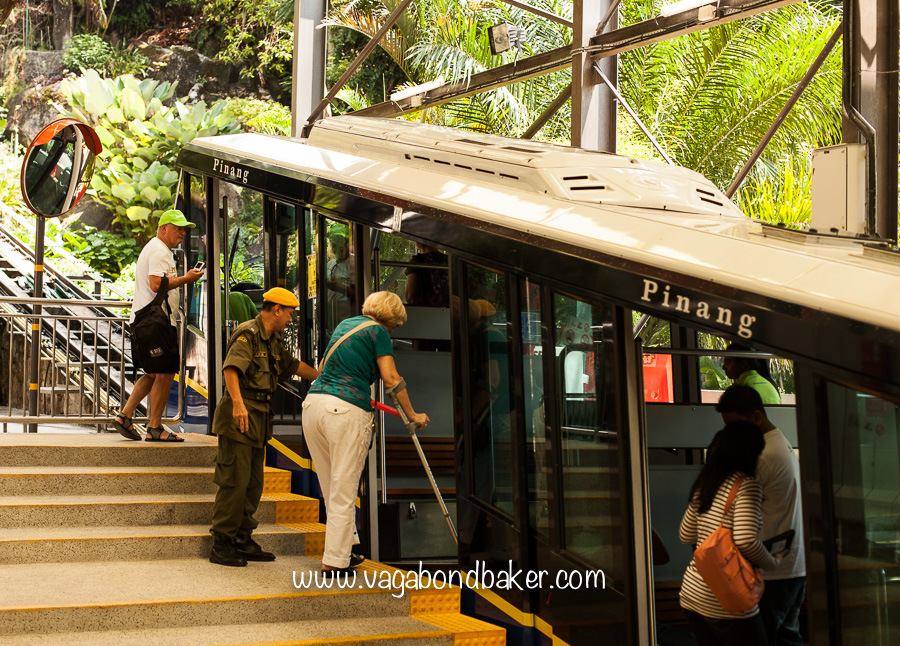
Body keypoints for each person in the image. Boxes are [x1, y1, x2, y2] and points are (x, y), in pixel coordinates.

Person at [302, 291, 429, 576]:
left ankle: (347, 548)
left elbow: (322, 369)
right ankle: (334, 561)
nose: (394, 330)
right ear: (391, 319)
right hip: (345, 411)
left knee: (331, 486)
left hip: (313, 406)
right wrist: (413, 415)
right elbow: (391, 378)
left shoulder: (345, 325)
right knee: (344, 490)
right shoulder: (379, 332)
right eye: (396, 325)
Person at [208, 287, 319, 567]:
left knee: (253, 483)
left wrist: (324, 376)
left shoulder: (272, 340)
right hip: (240, 416)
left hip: (258, 418)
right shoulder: (248, 334)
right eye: (290, 313)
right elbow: (230, 370)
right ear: (276, 310)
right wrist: (237, 404)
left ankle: (243, 538)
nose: (291, 319)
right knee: (235, 480)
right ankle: (222, 542)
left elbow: (293, 366)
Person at [679, 420, 784, 646]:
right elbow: (746, 540)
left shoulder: (705, 484)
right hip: (728, 597)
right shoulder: (747, 486)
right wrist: (773, 562)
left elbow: (685, 535)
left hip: (692, 594)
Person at [716, 386, 805, 646]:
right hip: (793, 566)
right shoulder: (780, 442)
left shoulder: (762, 456)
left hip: (771, 572)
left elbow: (736, 518)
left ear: (757, 417)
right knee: (788, 637)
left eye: (736, 426)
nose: (732, 434)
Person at [112, 209, 203, 442]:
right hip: (155, 321)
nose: (182, 232)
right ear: (164, 228)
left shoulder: (158, 249)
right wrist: (187, 279)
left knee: (153, 373)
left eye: (184, 228)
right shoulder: (159, 251)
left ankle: (125, 416)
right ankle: (154, 427)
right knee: (164, 372)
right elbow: (155, 284)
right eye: (177, 228)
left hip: (151, 321)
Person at [405, 242, 449, 307]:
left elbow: (411, 296)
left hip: (426, 310)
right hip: (448, 311)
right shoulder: (449, 261)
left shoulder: (417, 261)